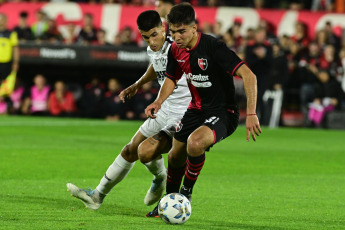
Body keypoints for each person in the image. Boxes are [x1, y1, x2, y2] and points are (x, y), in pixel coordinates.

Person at [66, 10, 191, 211]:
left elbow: (176, 75)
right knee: (129, 150)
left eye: (154, 35)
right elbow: (157, 65)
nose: (151, 41)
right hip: (164, 108)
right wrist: (137, 84)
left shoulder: (178, 47)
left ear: (163, 28)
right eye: (145, 37)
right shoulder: (154, 48)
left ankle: (161, 178)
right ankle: (97, 196)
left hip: (183, 113)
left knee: (145, 153)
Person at [145, 3, 261, 216]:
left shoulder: (213, 48)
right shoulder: (175, 50)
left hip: (223, 112)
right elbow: (171, 78)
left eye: (182, 31)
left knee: (195, 143)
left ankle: (185, 195)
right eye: (173, 32)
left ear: (194, 28)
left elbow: (249, 76)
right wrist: (159, 101)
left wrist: (252, 113)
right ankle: (168, 203)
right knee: (174, 156)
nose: (177, 36)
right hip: (195, 110)